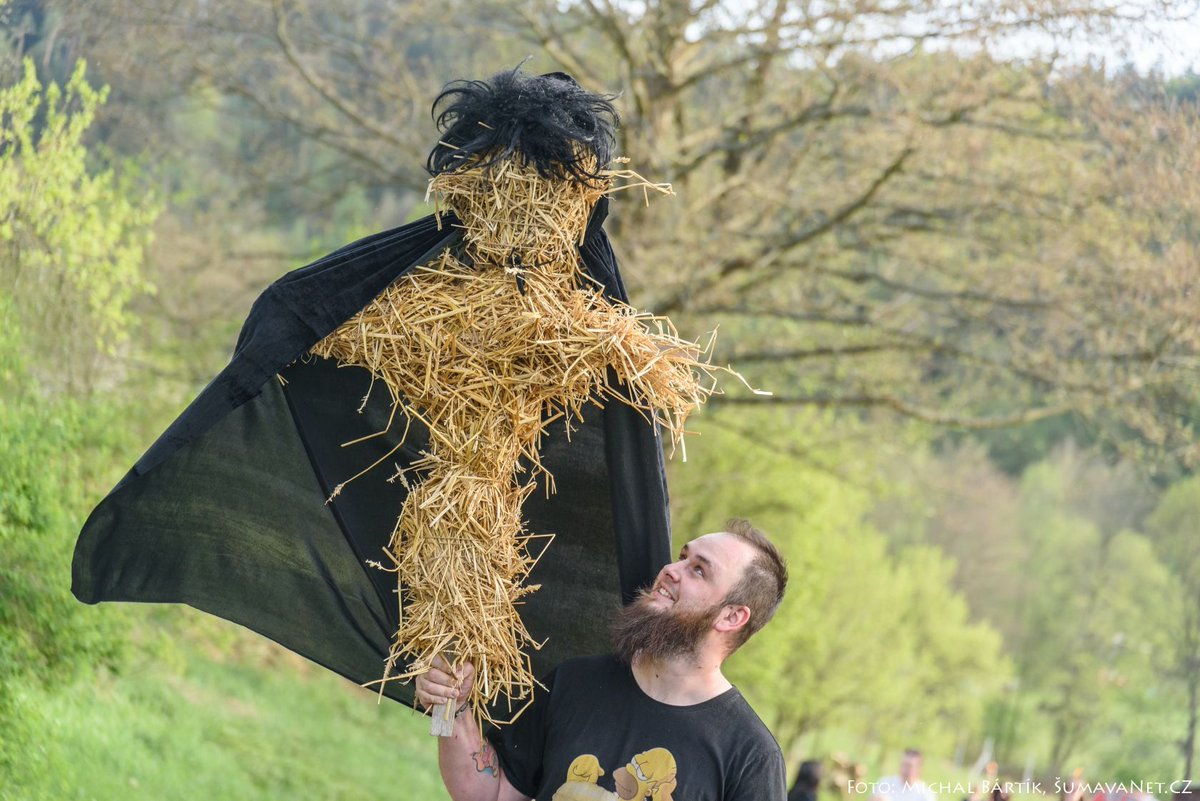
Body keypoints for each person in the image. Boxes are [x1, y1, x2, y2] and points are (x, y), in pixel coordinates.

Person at [415, 518, 790, 801]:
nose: (670, 570)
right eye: (682, 557)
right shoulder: (574, 681)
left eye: (698, 570)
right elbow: (494, 794)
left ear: (731, 617)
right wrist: (454, 708)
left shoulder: (750, 756)